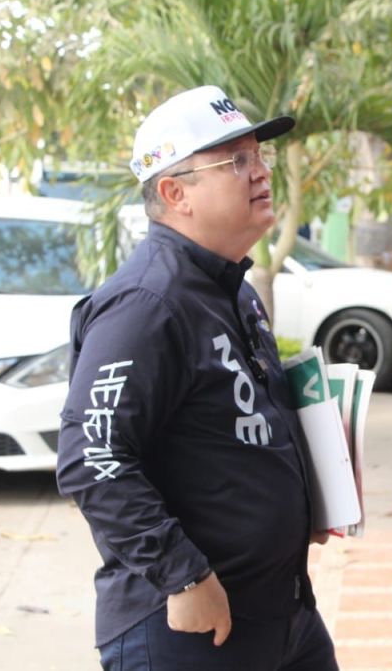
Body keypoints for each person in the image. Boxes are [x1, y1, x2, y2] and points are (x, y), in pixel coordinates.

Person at [56, 85, 338, 671]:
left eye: (258, 155)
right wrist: (183, 576)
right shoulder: (147, 304)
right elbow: (92, 456)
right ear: (174, 193)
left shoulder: (231, 289)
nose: (260, 172)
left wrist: (312, 497)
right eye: (235, 161)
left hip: (282, 614)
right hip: (190, 629)